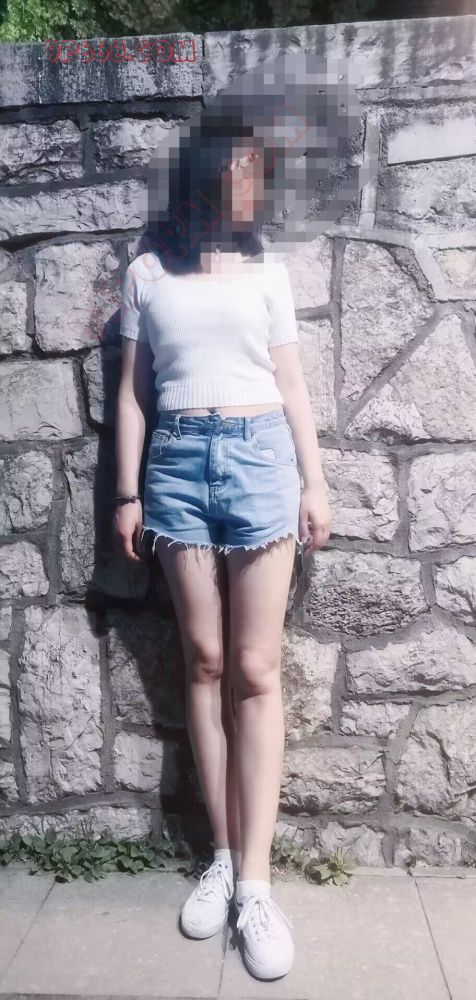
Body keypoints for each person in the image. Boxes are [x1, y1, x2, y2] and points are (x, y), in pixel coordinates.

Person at [113, 124, 332, 981]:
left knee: (256, 667)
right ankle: (222, 855)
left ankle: (257, 887)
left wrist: (314, 482)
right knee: (203, 661)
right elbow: (134, 395)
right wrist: (126, 493)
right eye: (243, 171)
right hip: (174, 467)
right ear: (204, 176)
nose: (255, 187)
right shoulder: (147, 274)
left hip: (259, 459)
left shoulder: (268, 273)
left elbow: (292, 383)